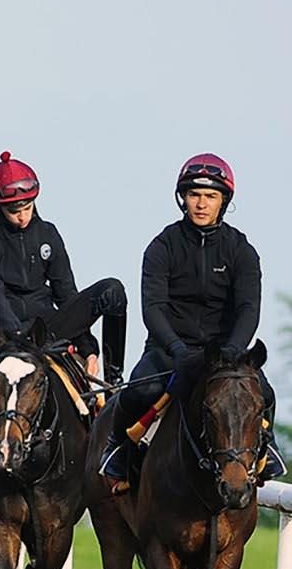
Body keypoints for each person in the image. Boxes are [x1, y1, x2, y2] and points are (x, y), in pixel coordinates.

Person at [100, 154, 282, 487]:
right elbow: (152, 308)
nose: (201, 203)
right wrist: (176, 349)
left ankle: (264, 452)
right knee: (139, 391)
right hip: (169, 349)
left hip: (224, 354)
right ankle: (118, 451)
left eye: (210, 196)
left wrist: (231, 350)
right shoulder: (162, 246)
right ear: (183, 198)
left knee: (265, 394)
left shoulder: (242, 250)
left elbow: (248, 309)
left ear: (223, 201)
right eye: (194, 194)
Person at [0, 152, 126, 450]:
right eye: (13, 210)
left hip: (44, 324)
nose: (22, 215)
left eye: (27, 206)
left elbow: (66, 292)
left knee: (113, 290)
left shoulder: (48, 233)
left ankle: (113, 386)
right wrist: (19, 338)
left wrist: (88, 347)